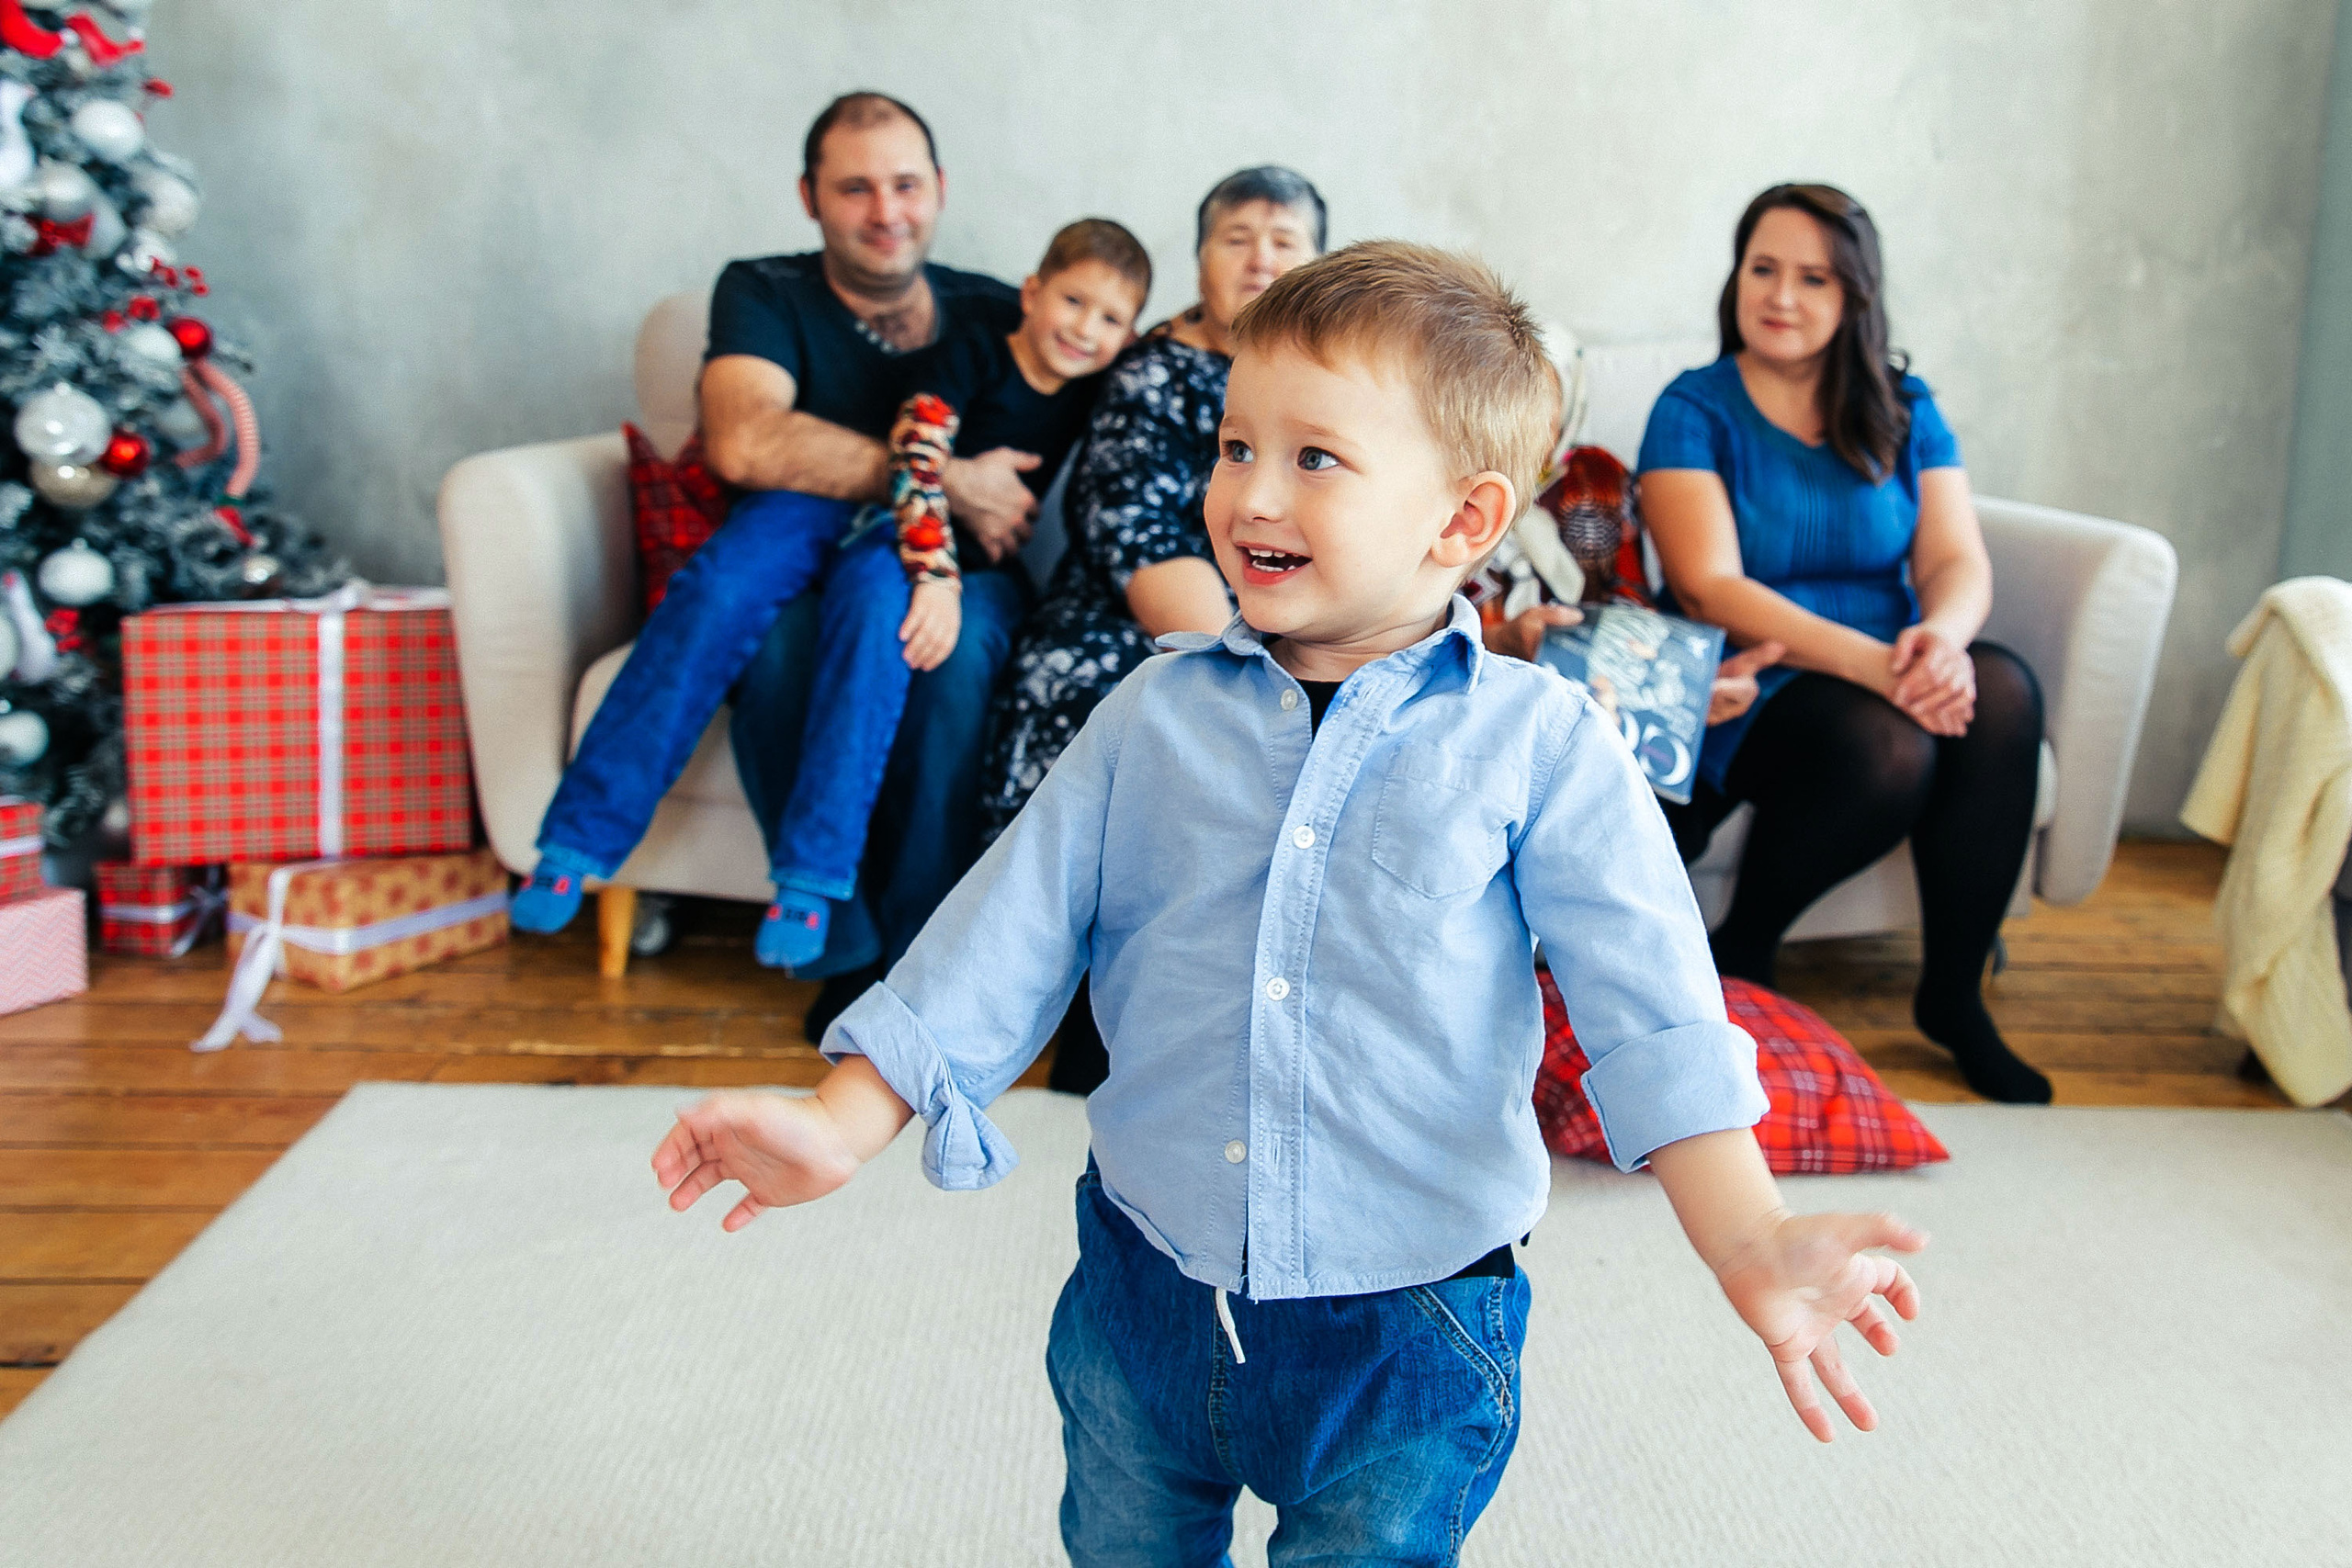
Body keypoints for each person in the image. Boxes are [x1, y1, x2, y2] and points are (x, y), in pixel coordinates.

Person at [652, 243, 1928, 1563]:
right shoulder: (1150, 712)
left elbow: (1653, 1010)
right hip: (1143, 1288)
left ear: (1463, 523)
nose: (1248, 491)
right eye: (1234, 443)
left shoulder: (1542, 741)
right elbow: (1006, 928)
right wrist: (841, 1117)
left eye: (1315, 458)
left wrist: (1752, 1235)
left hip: (1408, 1322)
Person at [506, 93, 1039, 983]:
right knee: (748, 616)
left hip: (945, 565)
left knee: (925, 645)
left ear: (940, 189)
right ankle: (831, 940)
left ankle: (924, 953)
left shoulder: (994, 311)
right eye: (855, 188)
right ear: (809, 195)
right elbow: (747, 441)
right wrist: (940, 475)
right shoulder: (763, 289)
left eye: (905, 185)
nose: (885, 211)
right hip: (795, 554)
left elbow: (1111, 360)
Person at [1637, 182, 2051, 1104]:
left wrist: (1939, 644)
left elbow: (1953, 557)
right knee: (1886, 741)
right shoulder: (1692, 408)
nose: (1780, 296)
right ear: (1735, 278)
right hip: (1764, 676)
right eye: (1763, 270)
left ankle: (1951, 996)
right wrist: (1881, 670)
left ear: (1853, 296)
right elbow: (1710, 585)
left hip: (1891, 658)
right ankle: (1745, 943)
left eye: (1812, 278)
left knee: (2003, 690)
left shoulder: (1904, 404)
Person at [751, 219, 1151, 969]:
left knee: (956, 661)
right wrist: (935, 574)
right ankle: (830, 912)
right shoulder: (973, 351)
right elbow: (916, 453)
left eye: (1109, 319)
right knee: (871, 625)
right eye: (1073, 301)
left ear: (1128, 339)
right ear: (1031, 293)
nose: (1084, 328)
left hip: (993, 573)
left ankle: (917, 945)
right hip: (905, 546)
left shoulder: (1109, 380)